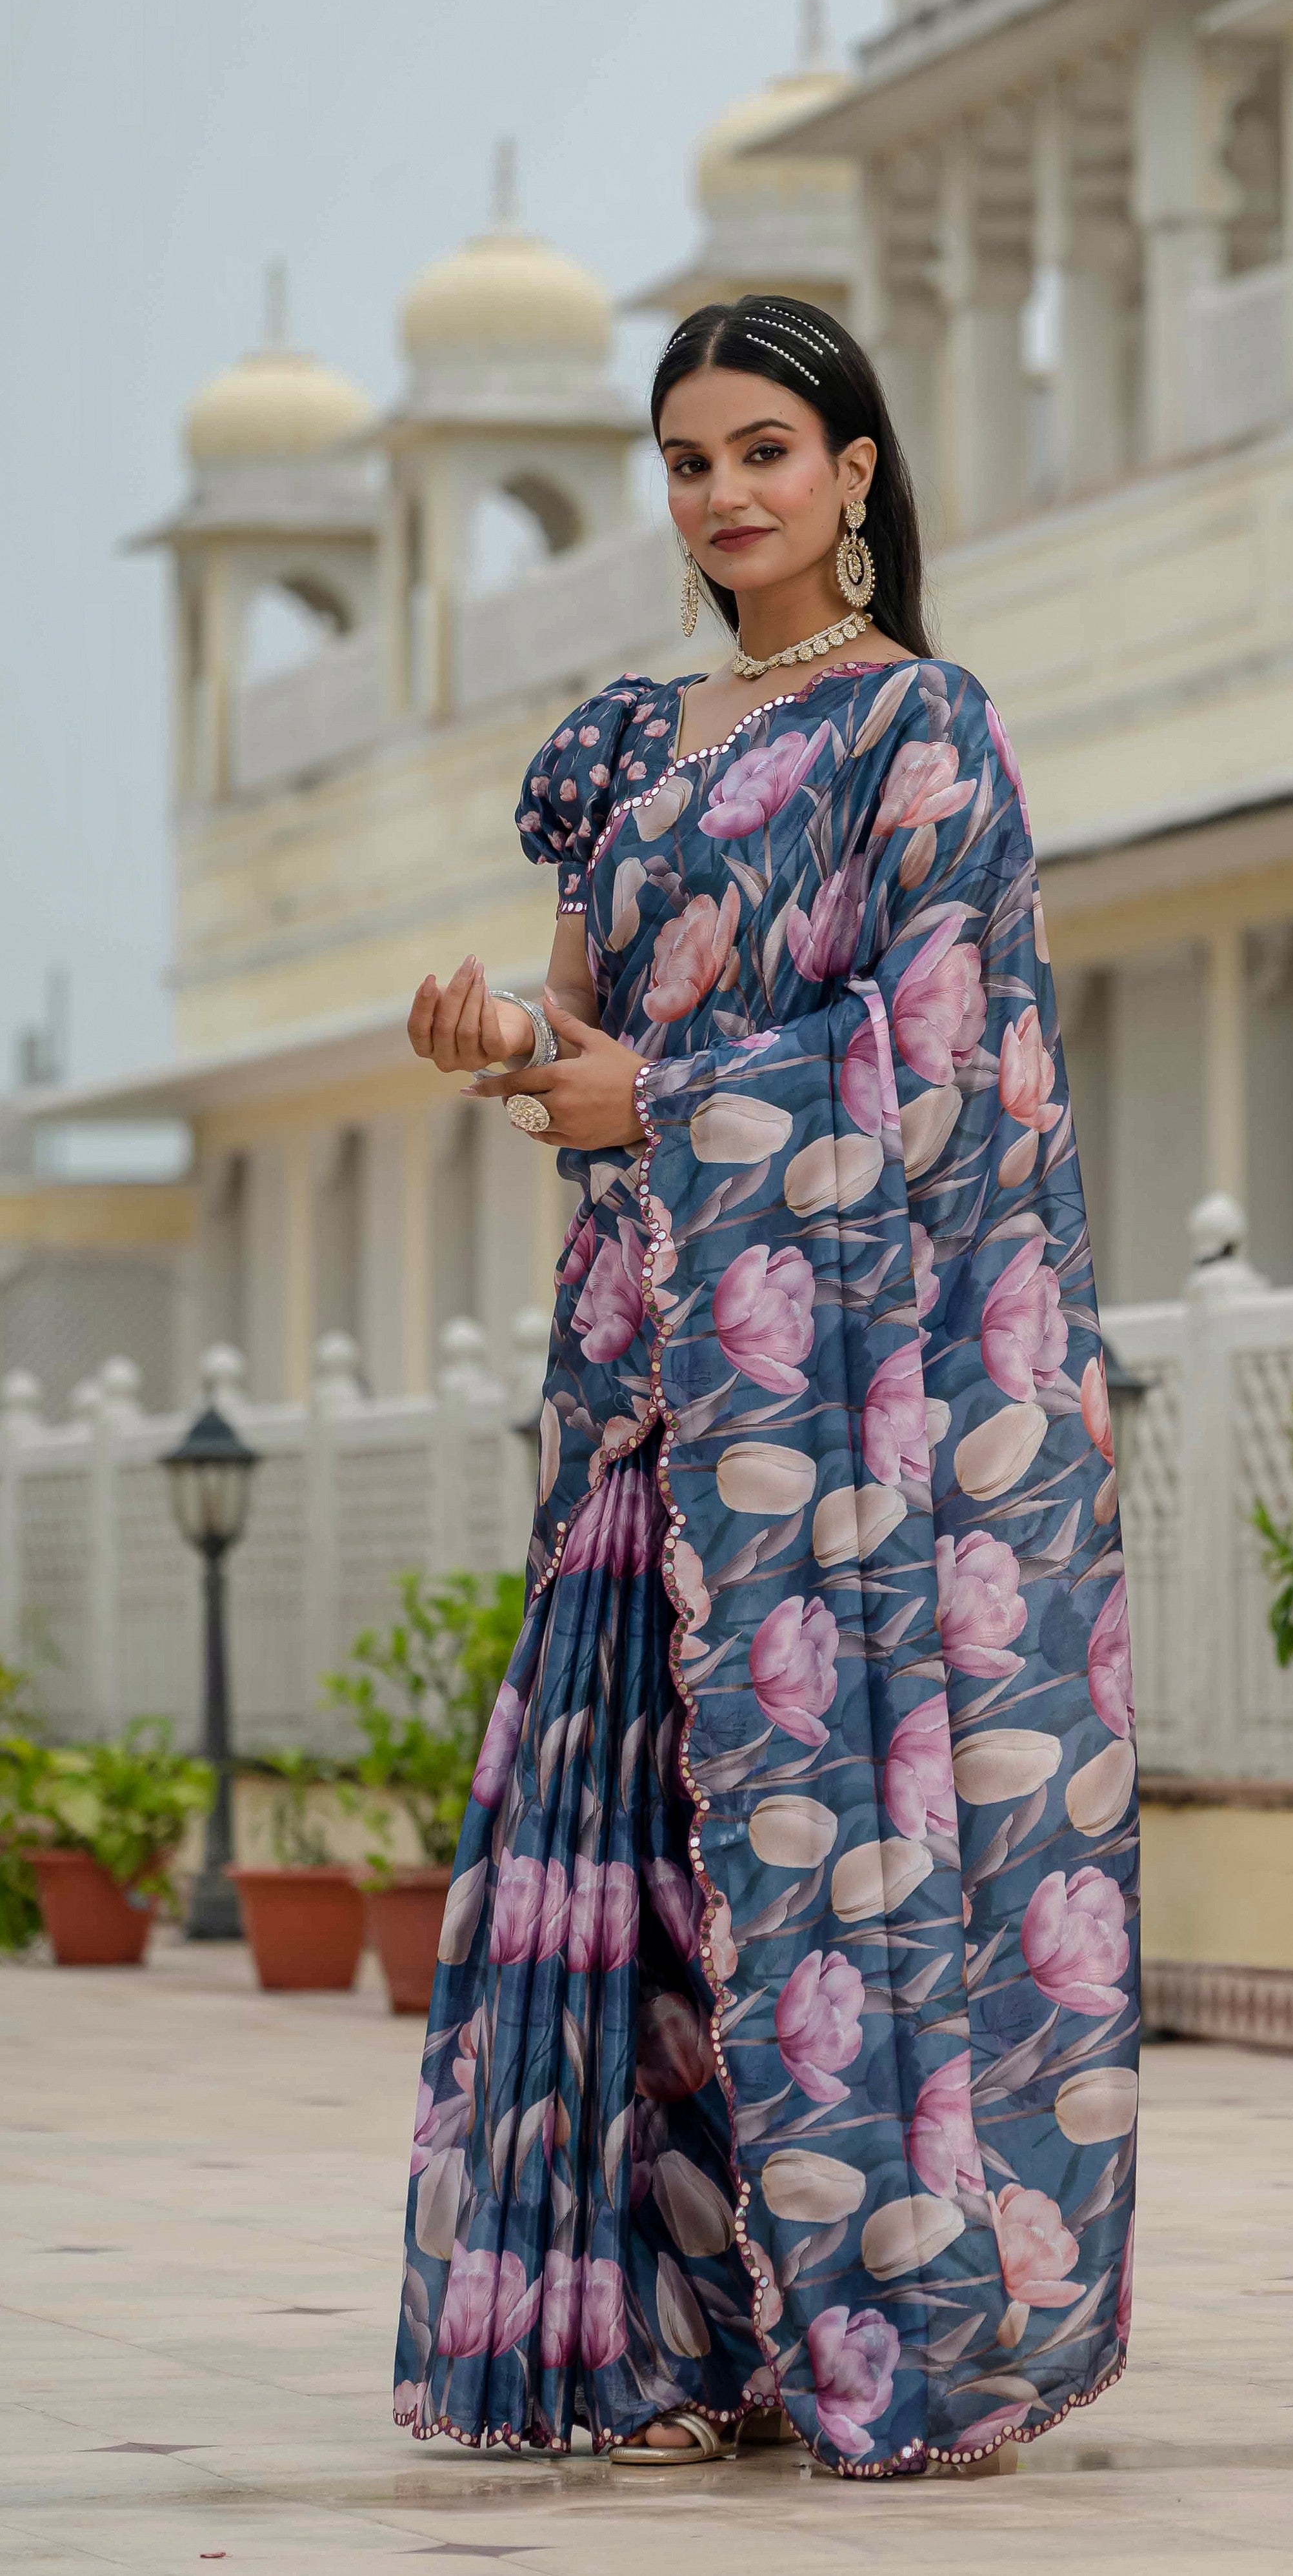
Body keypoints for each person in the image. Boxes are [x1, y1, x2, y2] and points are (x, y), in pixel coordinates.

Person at [392, 294, 1138, 2479]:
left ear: (854, 470)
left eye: (764, 450)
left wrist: (656, 1097)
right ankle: (667, 2337)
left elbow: (949, 1071)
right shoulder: (626, 743)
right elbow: (585, 1039)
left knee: (841, 1836)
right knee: (640, 1836)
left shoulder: (923, 732)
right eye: (688, 459)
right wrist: (504, 1046)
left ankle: (896, 2330)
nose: (724, 494)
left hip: (845, 1400)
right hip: (648, 1359)